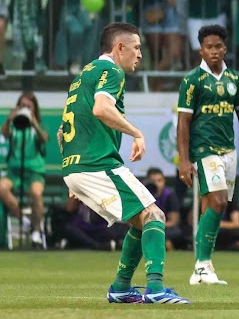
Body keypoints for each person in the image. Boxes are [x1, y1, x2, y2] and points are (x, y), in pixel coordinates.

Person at [58, 22, 190, 303]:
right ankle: (155, 290)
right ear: (119, 48)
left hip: (78, 165)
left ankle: (120, 288)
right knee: (155, 216)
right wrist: (136, 132)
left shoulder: (83, 75)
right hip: (96, 163)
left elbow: (64, 129)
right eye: (137, 48)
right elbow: (101, 108)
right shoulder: (111, 70)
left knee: (141, 221)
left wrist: (71, 170)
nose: (140, 54)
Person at [176, 24, 239, 285]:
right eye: (208, 47)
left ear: (225, 49)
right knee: (218, 202)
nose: (214, 51)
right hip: (204, 150)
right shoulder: (192, 80)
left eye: (218, 47)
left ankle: (202, 268)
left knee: (211, 206)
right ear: (200, 50)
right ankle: (202, 264)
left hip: (229, 152)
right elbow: (183, 122)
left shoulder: (235, 79)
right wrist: (183, 159)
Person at [0, 92, 49, 247]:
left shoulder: (38, 125)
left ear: (34, 108)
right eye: (22, 106)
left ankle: (36, 232)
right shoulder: (14, 126)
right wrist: (10, 118)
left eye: (28, 106)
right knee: (1, 188)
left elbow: (44, 139)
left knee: (36, 193)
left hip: (35, 172)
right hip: (14, 171)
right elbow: (5, 133)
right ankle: (25, 221)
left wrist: (33, 122)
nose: (25, 109)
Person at [144, 168, 183, 250]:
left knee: (176, 232)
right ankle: (162, 244)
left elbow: (173, 221)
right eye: (153, 181)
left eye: (159, 180)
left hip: (164, 227)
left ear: (164, 181)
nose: (157, 184)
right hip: (144, 227)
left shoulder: (169, 195)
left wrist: (156, 227)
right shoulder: (142, 195)